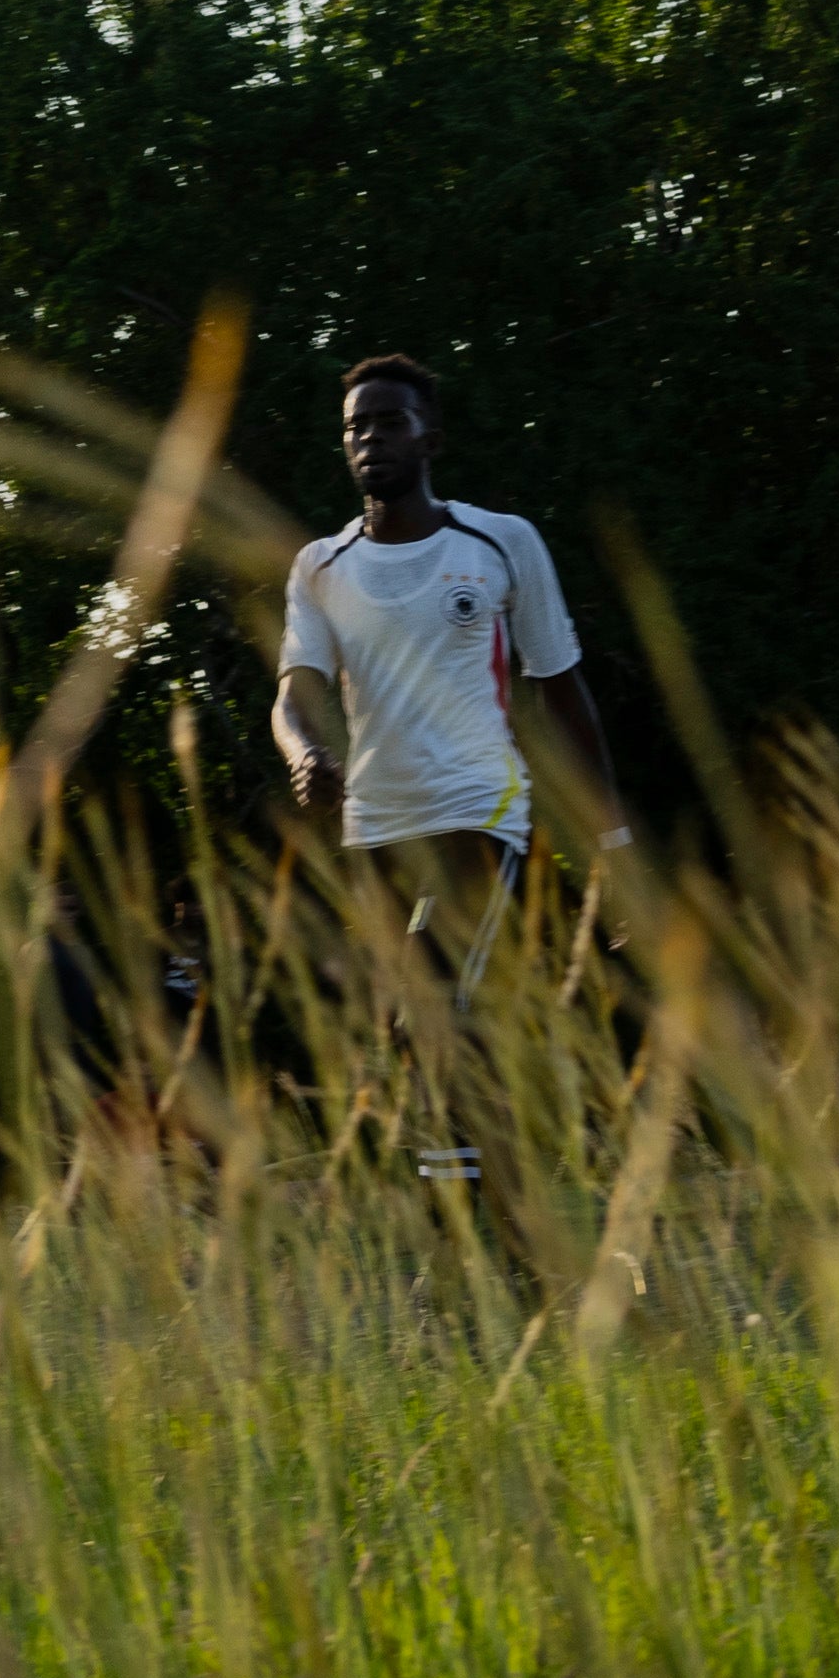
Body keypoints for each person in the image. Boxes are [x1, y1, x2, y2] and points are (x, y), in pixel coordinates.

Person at [270, 352, 629, 1189]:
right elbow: (292, 697)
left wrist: (608, 841)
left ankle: (470, 1241)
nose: (368, 438)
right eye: (355, 426)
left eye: (387, 421)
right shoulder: (320, 566)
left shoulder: (500, 542)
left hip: (478, 809)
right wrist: (303, 755)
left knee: (436, 1007)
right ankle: (495, 1198)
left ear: (430, 436)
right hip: (374, 828)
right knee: (409, 1028)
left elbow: (564, 695)